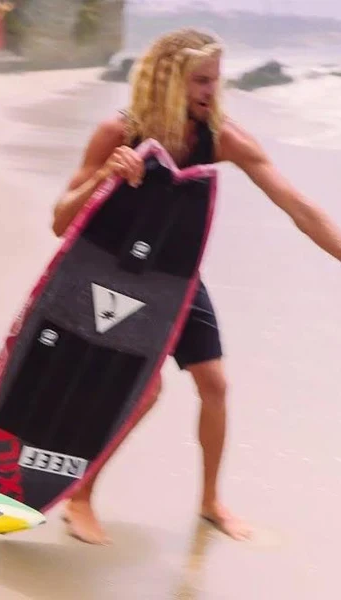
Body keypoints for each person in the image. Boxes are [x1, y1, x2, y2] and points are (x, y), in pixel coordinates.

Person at [50, 27, 341, 546]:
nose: (212, 90)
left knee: (215, 385)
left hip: (178, 276)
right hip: (117, 276)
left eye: (215, 79)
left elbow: (298, 206)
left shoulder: (220, 135)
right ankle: (81, 497)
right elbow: (60, 221)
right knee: (146, 390)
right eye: (201, 80)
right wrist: (106, 177)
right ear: (168, 78)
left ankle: (210, 502)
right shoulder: (118, 133)